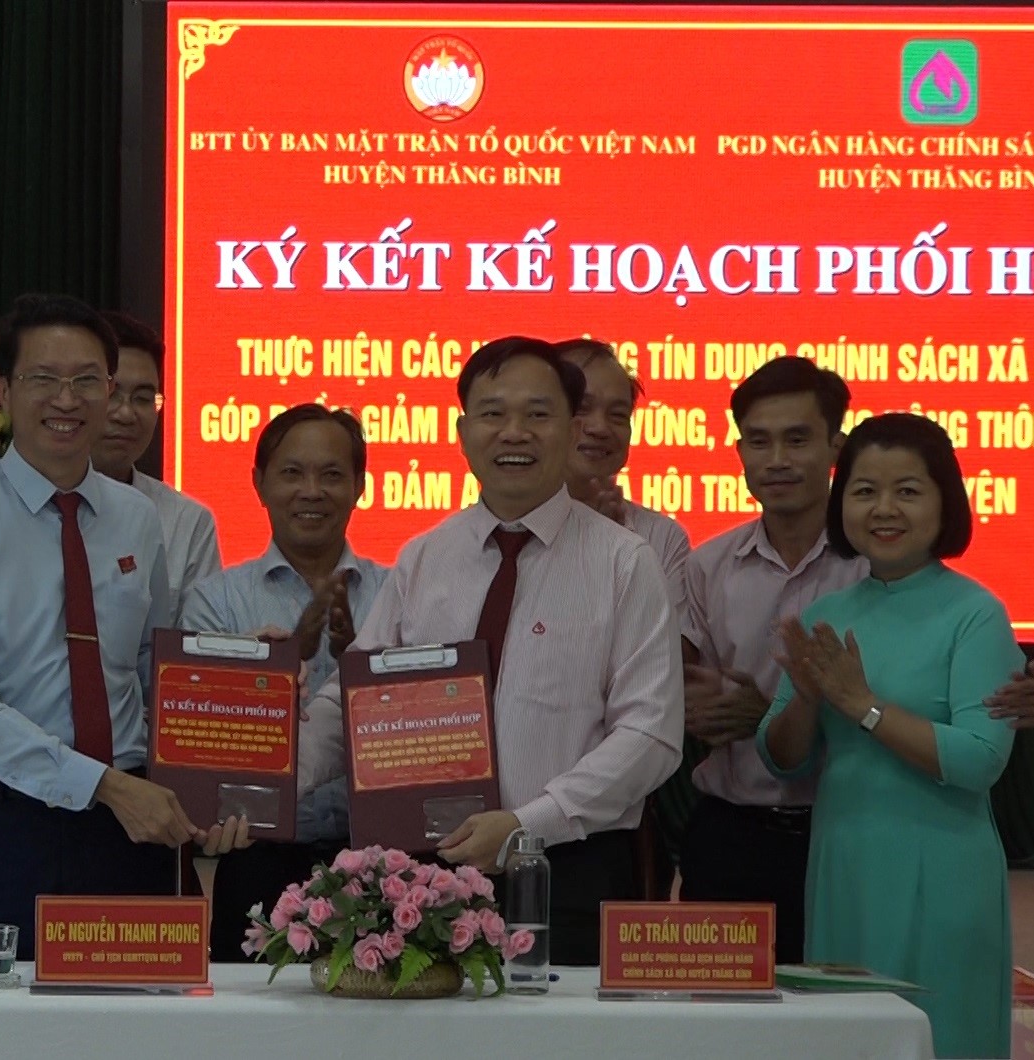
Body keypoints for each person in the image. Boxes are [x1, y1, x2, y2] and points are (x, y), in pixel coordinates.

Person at [297, 336, 683, 966]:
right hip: (428, 878)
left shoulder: (625, 563)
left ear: (571, 428)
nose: (514, 432)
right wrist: (271, 774)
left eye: (537, 413)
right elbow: (355, 704)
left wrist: (531, 822)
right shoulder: (425, 557)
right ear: (462, 432)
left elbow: (651, 734)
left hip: (568, 866)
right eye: (493, 413)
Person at [0, 294, 246, 959]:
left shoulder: (136, 518)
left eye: (88, 380)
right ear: (3, 389)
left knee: (135, 1010)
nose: (67, 399)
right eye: (45, 378)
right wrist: (106, 786)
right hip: (0, 827)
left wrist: (236, 699)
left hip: (127, 835)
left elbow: (157, 672)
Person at [759, 413, 1021, 1060]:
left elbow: (980, 759)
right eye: (864, 490)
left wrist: (863, 705)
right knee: (846, 1039)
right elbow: (781, 758)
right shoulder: (827, 614)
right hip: (845, 864)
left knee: (942, 1038)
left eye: (907, 490)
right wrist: (808, 701)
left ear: (944, 502)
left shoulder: (976, 614)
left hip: (943, 868)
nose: (884, 508)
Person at [180, 404, 385, 961]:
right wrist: (253, 684)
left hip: (377, 866)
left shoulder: (398, 593)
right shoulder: (216, 601)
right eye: (292, 473)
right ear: (260, 484)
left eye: (332, 474)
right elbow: (199, 740)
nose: (311, 491)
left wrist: (366, 667)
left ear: (360, 486)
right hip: (256, 859)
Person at [680, 357, 864, 963]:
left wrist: (769, 717)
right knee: (718, 1009)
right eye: (759, 442)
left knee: (844, 1010)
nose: (777, 460)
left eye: (797, 439)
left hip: (842, 833)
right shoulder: (707, 566)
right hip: (729, 835)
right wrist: (695, 710)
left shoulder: (872, 569)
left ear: (836, 446)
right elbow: (695, 694)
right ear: (740, 453)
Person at [92, 311, 220, 624]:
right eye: (112, 394)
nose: (126, 414)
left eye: (143, 398)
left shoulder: (187, 522)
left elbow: (196, 643)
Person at [554, 339, 690, 625]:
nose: (600, 428)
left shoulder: (661, 537)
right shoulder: (497, 535)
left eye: (618, 415)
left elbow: (667, 646)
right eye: (581, 408)